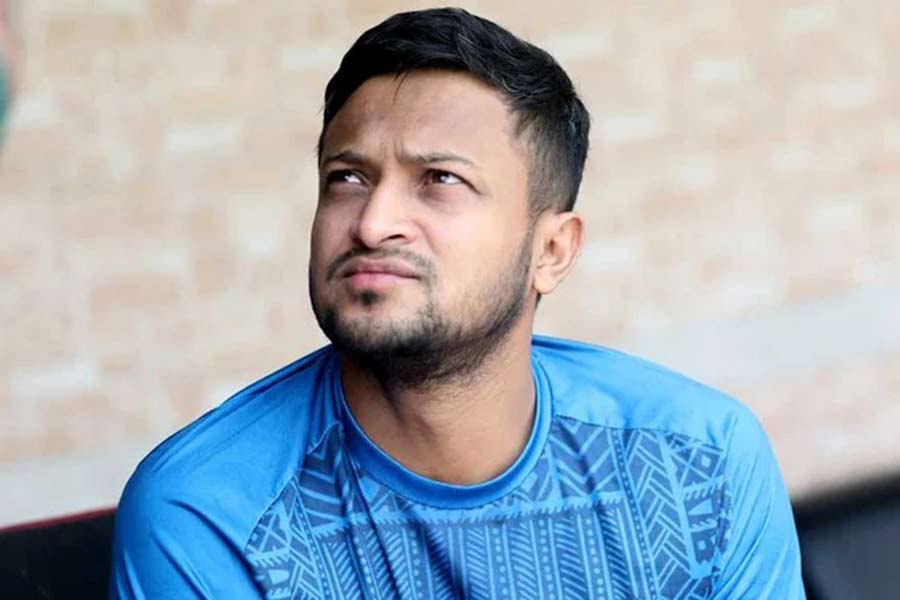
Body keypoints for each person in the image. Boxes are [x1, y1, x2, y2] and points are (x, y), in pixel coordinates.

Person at [110, 8, 804, 599]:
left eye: (440, 179)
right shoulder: (209, 514)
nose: (373, 222)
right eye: (347, 178)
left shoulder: (701, 463)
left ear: (552, 251)